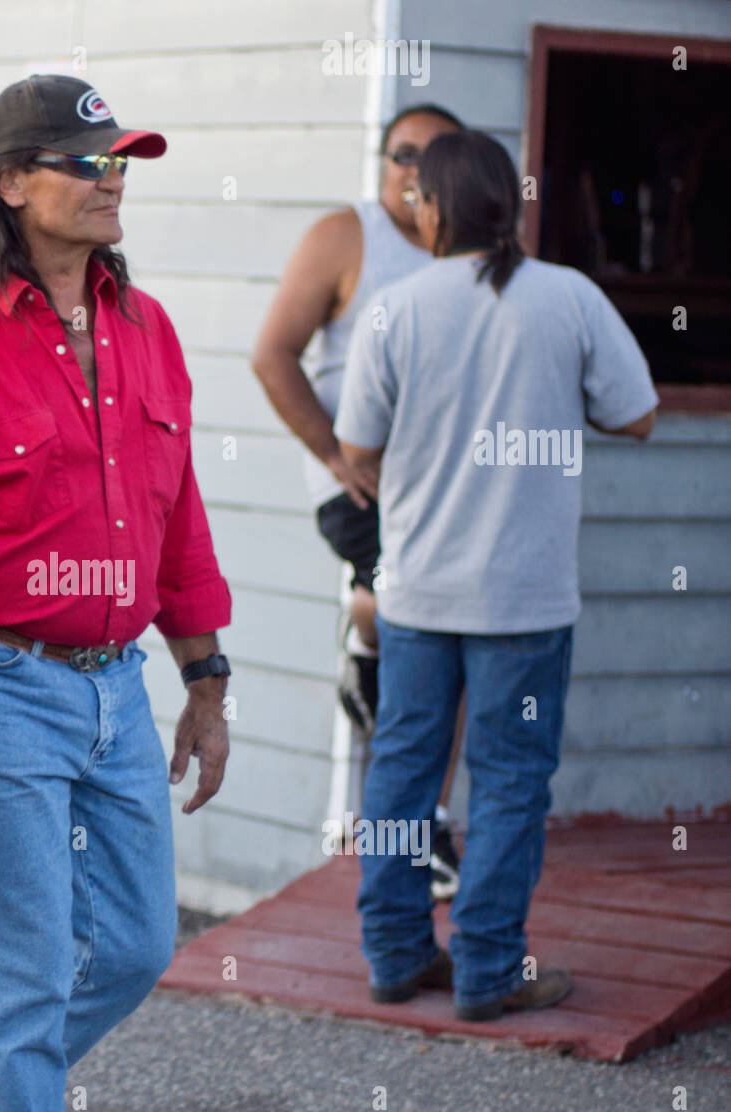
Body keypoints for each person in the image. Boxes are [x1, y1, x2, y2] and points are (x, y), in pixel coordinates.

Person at [0, 75, 232, 1112]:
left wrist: (204, 683)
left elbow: (177, 522)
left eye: (118, 159)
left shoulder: (147, 328)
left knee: (132, 946)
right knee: (23, 977)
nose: (109, 177)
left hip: (118, 687)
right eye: (84, 162)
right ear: (13, 184)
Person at [334, 129, 657, 1019]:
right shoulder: (570, 297)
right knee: (510, 778)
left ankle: (397, 954)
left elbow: (356, 447)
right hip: (524, 596)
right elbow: (638, 418)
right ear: (507, 207)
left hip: (417, 591)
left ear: (433, 209)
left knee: (402, 769)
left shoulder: (396, 309)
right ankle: (485, 970)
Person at [252, 103, 466, 900]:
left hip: (448, 487)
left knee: (450, 646)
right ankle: (416, 837)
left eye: (433, 155)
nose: (413, 168)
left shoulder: (470, 246)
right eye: (400, 153)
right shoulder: (348, 237)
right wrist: (335, 453)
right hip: (366, 487)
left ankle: (367, 641)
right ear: (382, 164)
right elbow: (272, 354)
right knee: (427, 641)